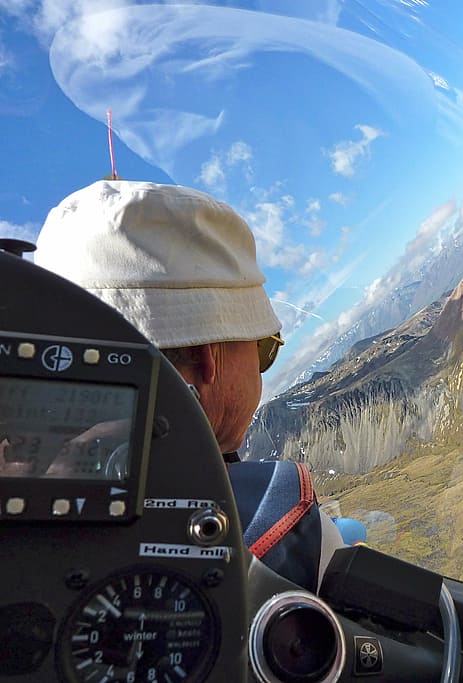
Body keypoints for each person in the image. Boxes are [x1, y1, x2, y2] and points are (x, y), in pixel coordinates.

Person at [34, 179, 343, 590]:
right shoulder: (281, 517)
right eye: (263, 347)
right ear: (206, 359)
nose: (263, 363)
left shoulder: (36, 508)